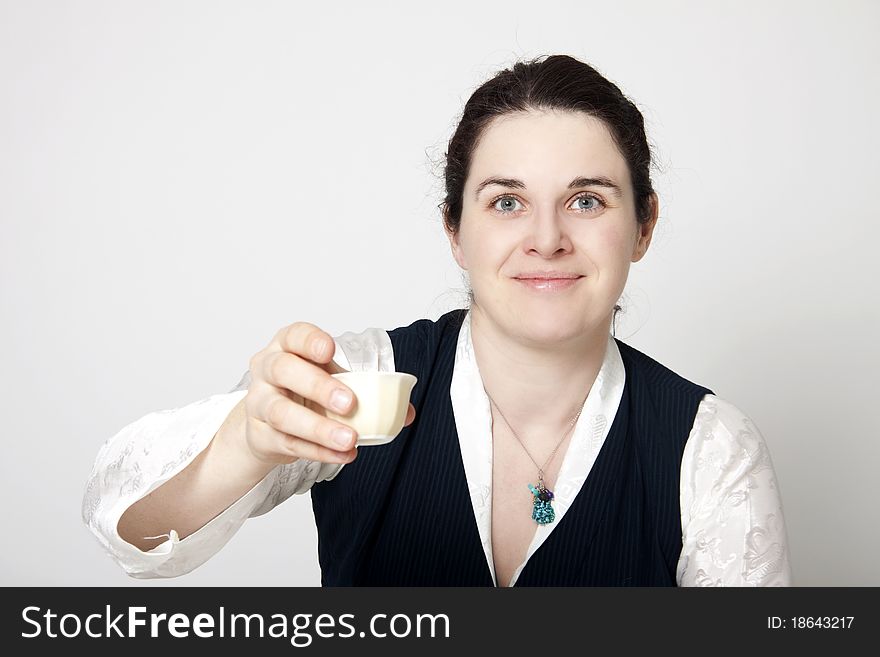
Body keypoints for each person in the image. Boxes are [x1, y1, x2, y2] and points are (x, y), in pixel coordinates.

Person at [82, 54, 792, 586]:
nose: (546, 237)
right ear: (455, 230)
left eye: (587, 200)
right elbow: (125, 529)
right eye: (506, 202)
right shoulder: (357, 381)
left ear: (643, 226)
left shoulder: (710, 449)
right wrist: (244, 440)